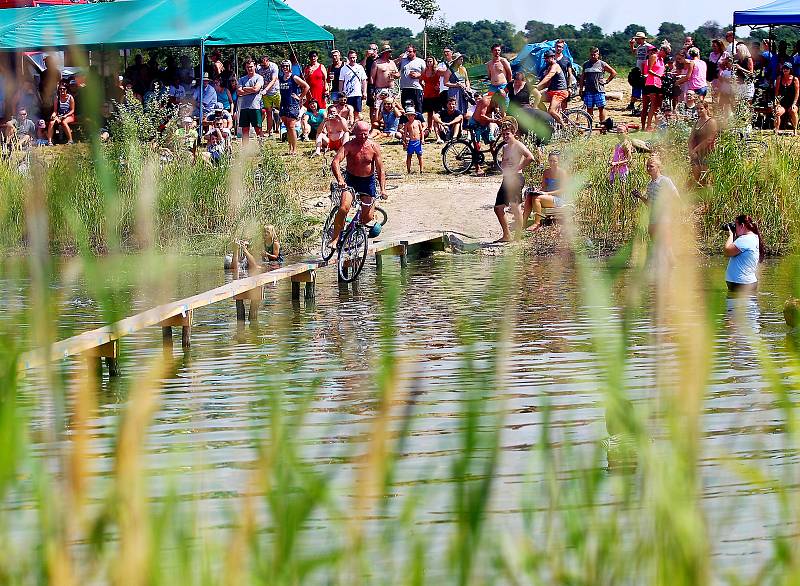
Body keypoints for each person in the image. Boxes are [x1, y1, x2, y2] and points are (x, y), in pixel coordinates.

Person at [329, 120, 387, 247]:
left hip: (368, 182)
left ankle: (351, 231)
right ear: (354, 132)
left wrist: (383, 189)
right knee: (344, 208)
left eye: (365, 134)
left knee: (368, 217)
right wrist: (340, 180)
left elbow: (380, 169)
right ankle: (335, 237)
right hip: (351, 180)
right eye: (360, 134)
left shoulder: (373, 147)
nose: (363, 136)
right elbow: (335, 162)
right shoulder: (349, 145)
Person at [494, 122, 534, 241]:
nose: (505, 136)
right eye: (503, 134)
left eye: (507, 134)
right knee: (498, 208)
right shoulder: (505, 147)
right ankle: (507, 235)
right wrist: (503, 164)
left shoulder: (518, 145)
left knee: (515, 207)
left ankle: (518, 236)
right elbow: (503, 162)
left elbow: (530, 157)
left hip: (516, 178)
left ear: (513, 133)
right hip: (507, 178)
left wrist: (518, 167)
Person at [632, 155, 679, 236]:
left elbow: (676, 196)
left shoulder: (665, 180)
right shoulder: (650, 185)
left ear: (658, 167)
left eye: (651, 166)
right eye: (647, 166)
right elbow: (650, 204)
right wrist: (640, 196)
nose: (648, 168)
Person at [524, 150, 567, 231]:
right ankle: (523, 222)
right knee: (530, 196)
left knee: (537, 198)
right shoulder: (546, 172)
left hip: (558, 199)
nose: (552, 163)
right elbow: (543, 187)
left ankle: (537, 223)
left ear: (559, 161)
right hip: (547, 196)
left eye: (554, 161)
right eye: (550, 161)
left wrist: (547, 193)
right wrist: (538, 190)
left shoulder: (562, 173)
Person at [724, 215, 764, 293]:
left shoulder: (745, 240)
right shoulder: (752, 238)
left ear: (742, 225)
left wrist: (731, 235)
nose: (735, 227)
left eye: (736, 225)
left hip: (741, 285)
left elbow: (727, 251)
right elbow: (734, 251)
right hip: (744, 284)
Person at [278, 60, 310, 155]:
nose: (285, 68)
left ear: (290, 67)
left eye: (287, 66)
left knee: (292, 126)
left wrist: (300, 97)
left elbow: (306, 86)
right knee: (287, 127)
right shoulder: (281, 77)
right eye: (283, 66)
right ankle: (290, 148)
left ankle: (294, 149)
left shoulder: (294, 77)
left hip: (292, 104)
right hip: (283, 103)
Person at [580, 47, 617, 125]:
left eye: (595, 55)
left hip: (599, 90)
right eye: (591, 55)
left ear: (598, 55)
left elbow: (613, 72)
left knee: (601, 108)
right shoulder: (586, 64)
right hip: (588, 90)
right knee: (589, 108)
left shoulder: (602, 64)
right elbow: (582, 77)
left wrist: (606, 81)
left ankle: (602, 124)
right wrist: (580, 88)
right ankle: (590, 125)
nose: (593, 56)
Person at [466, 93, 498, 176]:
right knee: (477, 146)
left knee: (492, 143)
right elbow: (482, 115)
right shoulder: (485, 101)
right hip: (476, 124)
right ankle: (477, 168)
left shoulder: (497, 102)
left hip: (485, 125)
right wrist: (494, 121)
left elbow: (501, 113)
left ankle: (496, 163)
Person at [688, 100, 718, 186]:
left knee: (707, 179)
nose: (698, 111)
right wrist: (691, 150)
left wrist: (695, 150)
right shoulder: (697, 122)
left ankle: (709, 198)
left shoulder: (711, 122)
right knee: (696, 179)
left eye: (701, 108)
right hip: (696, 154)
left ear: (706, 108)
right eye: (697, 109)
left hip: (707, 153)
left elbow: (709, 139)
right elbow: (691, 138)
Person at [536, 50, 567, 126]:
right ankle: (547, 116)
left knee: (551, 111)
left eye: (547, 58)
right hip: (552, 92)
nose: (546, 60)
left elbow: (548, 77)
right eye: (545, 58)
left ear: (553, 57)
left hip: (560, 92)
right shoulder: (549, 67)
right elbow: (547, 83)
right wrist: (535, 89)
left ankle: (565, 127)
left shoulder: (555, 66)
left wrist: (538, 86)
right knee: (537, 98)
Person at [370, 45, 400, 124]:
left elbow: (397, 74)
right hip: (380, 89)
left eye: (390, 51)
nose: (390, 53)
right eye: (388, 52)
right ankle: (376, 125)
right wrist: (372, 90)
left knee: (390, 107)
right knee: (377, 108)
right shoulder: (377, 63)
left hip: (390, 89)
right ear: (384, 53)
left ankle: (388, 125)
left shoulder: (392, 63)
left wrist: (396, 75)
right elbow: (372, 77)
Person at [237, 59, 264, 143]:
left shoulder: (259, 78)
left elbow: (256, 89)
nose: (250, 69)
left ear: (255, 66)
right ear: (245, 68)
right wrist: (251, 90)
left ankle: (262, 148)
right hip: (244, 107)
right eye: (248, 67)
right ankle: (245, 149)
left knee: (258, 129)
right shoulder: (242, 79)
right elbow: (239, 92)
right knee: (245, 130)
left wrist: (245, 89)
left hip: (255, 106)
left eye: (251, 67)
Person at [641, 44, 667, 132]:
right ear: (662, 50)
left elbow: (660, 70)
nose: (666, 55)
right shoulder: (654, 57)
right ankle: (648, 125)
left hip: (658, 83)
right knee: (652, 104)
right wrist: (659, 75)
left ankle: (656, 125)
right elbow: (649, 70)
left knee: (657, 105)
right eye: (666, 53)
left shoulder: (662, 60)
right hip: (651, 82)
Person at [628, 31, 654, 112]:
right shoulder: (639, 47)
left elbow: (654, 54)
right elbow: (634, 52)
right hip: (638, 70)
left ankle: (644, 103)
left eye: (638, 39)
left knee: (643, 88)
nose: (636, 40)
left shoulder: (648, 46)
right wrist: (631, 45)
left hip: (645, 70)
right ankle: (632, 104)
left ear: (642, 39)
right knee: (636, 86)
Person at [338, 50, 368, 118]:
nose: (352, 59)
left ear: (356, 57)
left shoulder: (360, 68)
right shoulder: (344, 68)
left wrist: (364, 92)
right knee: (346, 111)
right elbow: (341, 81)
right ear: (348, 58)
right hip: (347, 95)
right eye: (351, 58)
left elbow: (364, 80)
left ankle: (355, 127)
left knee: (357, 112)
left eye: (354, 57)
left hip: (357, 94)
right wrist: (340, 92)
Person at [396, 45, 425, 114]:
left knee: (418, 108)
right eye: (407, 52)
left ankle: (419, 123)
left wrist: (419, 75)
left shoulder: (420, 61)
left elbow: (427, 74)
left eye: (410, 52)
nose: (408, 53)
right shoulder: (403, 61)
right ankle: (407, 124)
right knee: (405, 108)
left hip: (416, 88)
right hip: (405, 88)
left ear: (414, 52)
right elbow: (397, 69)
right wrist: (399, 59)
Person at [257, 55, 280, 137]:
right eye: (261, 65)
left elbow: (274, 79)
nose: (263, 66)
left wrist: (266, 89)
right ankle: (269, 131)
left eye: (264, 64)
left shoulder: (274, 66)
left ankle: (282, 128)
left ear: (267, 61)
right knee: (268, 112)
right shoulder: (258, 68)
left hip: (275, 91)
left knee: (282, 110)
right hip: (265, 94)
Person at [774, 62, 799, 134]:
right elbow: (777, 92)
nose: (785, 70)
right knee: (777, 111)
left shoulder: (795, 79)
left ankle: (795, 130)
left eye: (787, 68)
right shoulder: (779, 78)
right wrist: (777, 103)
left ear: (790, 69)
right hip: (782, 102)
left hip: (792, 102)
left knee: (793, 111)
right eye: (784, 68)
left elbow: (797, 93)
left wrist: (794, 104)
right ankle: (776, 130)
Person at [486, 43, 513, 109]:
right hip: (493, 86)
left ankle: (505, 117)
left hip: (502, 85)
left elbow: (509, 73)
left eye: (498, 50)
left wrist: (508, 85)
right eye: (495, 50)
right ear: (492, 51)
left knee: (504, 104)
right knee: (491, 103)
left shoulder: (503, 61)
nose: (497, 52)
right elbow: (489, 76)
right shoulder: (489, 63)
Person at [421, 56, 440, 139]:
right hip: (427, 93)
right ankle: (429, 127)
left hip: (435, 93)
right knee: (429, 112)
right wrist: (423, 86)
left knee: (436, 112)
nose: (429, 63)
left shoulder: (436, 71)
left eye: (430, 61)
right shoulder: (424, 71)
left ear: (433, 62)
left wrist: (438, 87)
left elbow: (440, 79)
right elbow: (420, 80)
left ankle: (438, 128)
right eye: (428, 61)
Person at [401, 106, 424, 173]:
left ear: (414, 116)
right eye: (408, 116)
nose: (410, 117)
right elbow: (405, 133)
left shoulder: (418, 122)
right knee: (409, 155)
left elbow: (421, 131)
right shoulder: (407, 124)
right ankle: (408, 170)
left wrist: (422, 139)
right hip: (411, 141)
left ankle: (421, 170)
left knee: (419, 155)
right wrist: (404, 141)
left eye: (411, 115)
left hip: (417, 141)